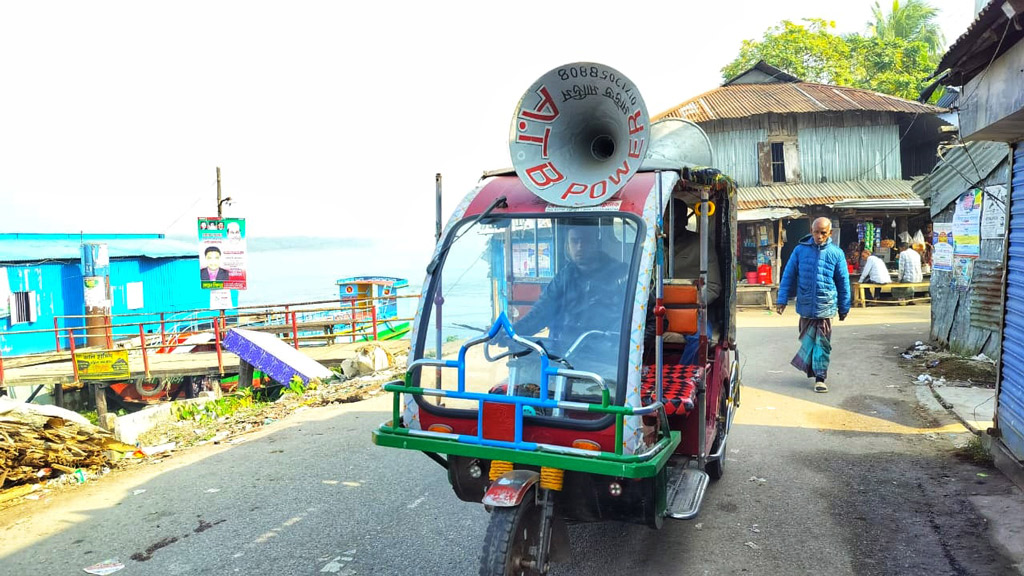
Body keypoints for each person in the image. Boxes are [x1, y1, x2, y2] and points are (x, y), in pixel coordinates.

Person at [512, 225, 628, 352]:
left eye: (586, 241)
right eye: (575, 241)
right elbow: (541, 312)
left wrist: (619, 345)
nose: (580, 246)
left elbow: (645, 319)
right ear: (567, 245)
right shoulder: (564, 277)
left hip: (607, 359)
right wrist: (511, 332)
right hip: (568, 355)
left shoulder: (622, 275)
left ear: (597, 243)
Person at [775, 217, 851, 393]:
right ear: (811, 230)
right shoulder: (800, 250)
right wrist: (781, 299)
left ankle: (820, 377)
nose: (819, 236)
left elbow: (843, 282)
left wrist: (844, 307)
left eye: (823, 233)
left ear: (829, 233)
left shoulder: (836, 253)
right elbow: (788, 275)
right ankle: (813, 369)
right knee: (807, 341)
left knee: (822, 344)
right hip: (806, 306)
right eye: (816, 232)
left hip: (826, 306)